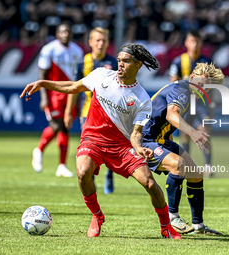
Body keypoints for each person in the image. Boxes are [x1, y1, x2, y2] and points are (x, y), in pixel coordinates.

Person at [20, 43, 181, 239]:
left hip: (121, 146)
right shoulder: (101, 76)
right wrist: (44, 83)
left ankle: (166, 226)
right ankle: (97, 216)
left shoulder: (142, 99)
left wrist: (138, 147)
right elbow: (72, 86)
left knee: (149, 183)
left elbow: (136, 132)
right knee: (82, 172)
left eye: (126, 61)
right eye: (119, 60)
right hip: (93, 139)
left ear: (138, 65)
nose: (120, 65)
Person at [143, 63, 224, 235]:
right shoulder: (182, 90)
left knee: (195, 174)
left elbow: (164, 119)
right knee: (178, 164)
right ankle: (173, 219)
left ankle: (199, 226)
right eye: (201, 84)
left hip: (161, 139)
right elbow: (171, 114)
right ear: (192, 77)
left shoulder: (188, 92)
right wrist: (193, 133)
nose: (203, 89)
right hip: (145, 140)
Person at [64, 27, 117, 194]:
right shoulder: (82, 63)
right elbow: (74, 88)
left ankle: (109, 174)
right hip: (88, 113)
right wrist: (67, 111)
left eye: (103, 40)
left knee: (109, 148)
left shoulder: (114, 63)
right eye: (97, 40)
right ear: (90, 42)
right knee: (89, 148)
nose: (100, 43)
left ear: (108, 43)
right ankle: (90, 180)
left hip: (109, 114)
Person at [32, 22, 83, 177]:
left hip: (71, 95)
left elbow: (79, 77)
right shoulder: (49, 49)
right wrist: (43, 97)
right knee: (56, 125)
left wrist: (79, 99)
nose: (65, 34)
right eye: (62, 31)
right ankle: (39, 150)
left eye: (68, 31)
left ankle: (61, 166)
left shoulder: (77, 51)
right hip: (53, 95)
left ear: (71, 34)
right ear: (57, 34)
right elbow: (42, 74)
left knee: (65, 127)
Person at [169, 30, 214, 177]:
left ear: (200, 43)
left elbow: (211, 86)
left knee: (204, 131)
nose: (194, 45)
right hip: (185, 103)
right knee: (185, 134)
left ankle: (208, 166)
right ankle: (187, 165)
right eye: (191, 41)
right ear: (186, 43)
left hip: (201, 104)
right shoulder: (179, 61)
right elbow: (173, 84)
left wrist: (211, 104)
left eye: (197, 42)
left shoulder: (206, 62)